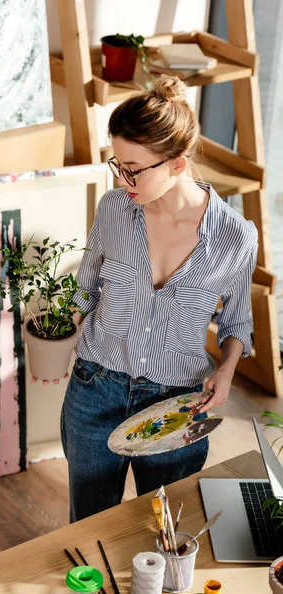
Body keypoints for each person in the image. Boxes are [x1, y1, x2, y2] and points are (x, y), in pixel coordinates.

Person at [38, 75, 258, 523]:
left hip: (176, 404)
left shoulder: (236, 238)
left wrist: (227, 370)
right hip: (95, 389)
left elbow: (237, 323)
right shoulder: (115, 210)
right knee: (89, 522)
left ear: (177, 164)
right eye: (117, 164)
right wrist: (55, 342)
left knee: (165, 525)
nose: (123, 178)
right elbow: (86, 289)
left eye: (133, 168)